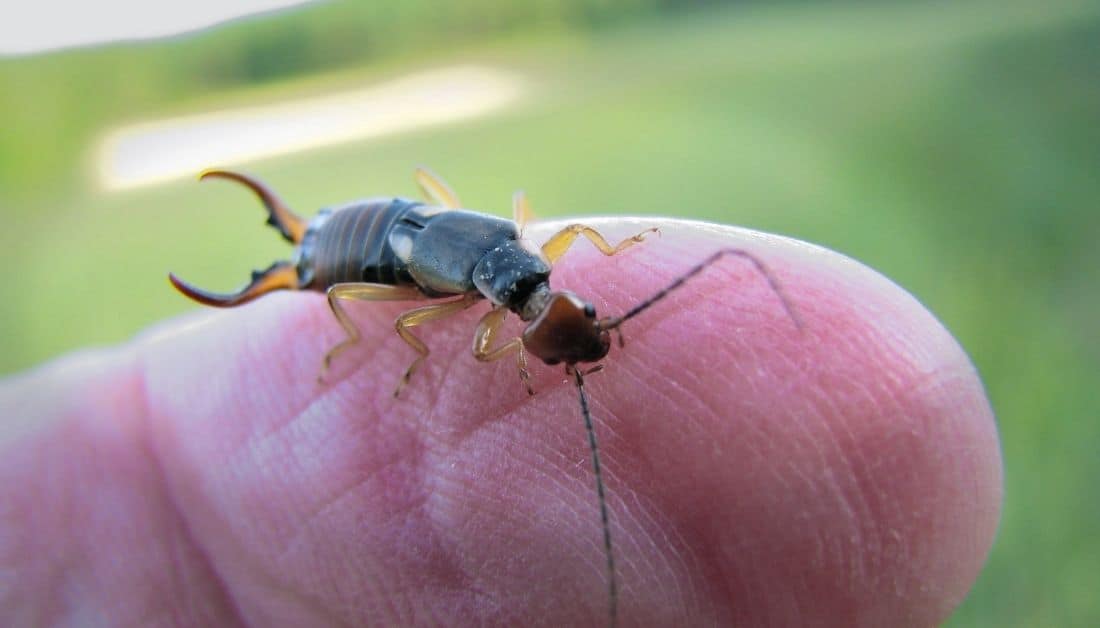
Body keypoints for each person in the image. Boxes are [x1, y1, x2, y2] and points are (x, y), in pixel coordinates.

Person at [0, 221, 1002, 626]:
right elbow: (400, 321)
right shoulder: (495, 302)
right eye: (571, 329)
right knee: (351, 303)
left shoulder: (516, 275)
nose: (568, 328)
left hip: (405, 227)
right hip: (368, 255)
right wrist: (374, 354)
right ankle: (295, 251)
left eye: (572, 325)